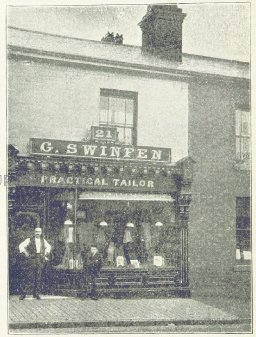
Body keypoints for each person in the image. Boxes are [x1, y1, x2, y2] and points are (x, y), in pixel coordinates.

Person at [18, 227, 51, 300]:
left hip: (40, 259)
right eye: (36, 231)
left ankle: (36, 294)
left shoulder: (43, 240)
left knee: (38, 277)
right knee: (29, 276)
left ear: (41, 232)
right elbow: (21, 246)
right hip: (32, 259)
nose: (37, 233)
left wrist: (45, 254)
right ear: (34, 232)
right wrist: (26, 253)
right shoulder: (29, 239)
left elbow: (48, 247)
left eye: (39, 231)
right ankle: (23, 294)